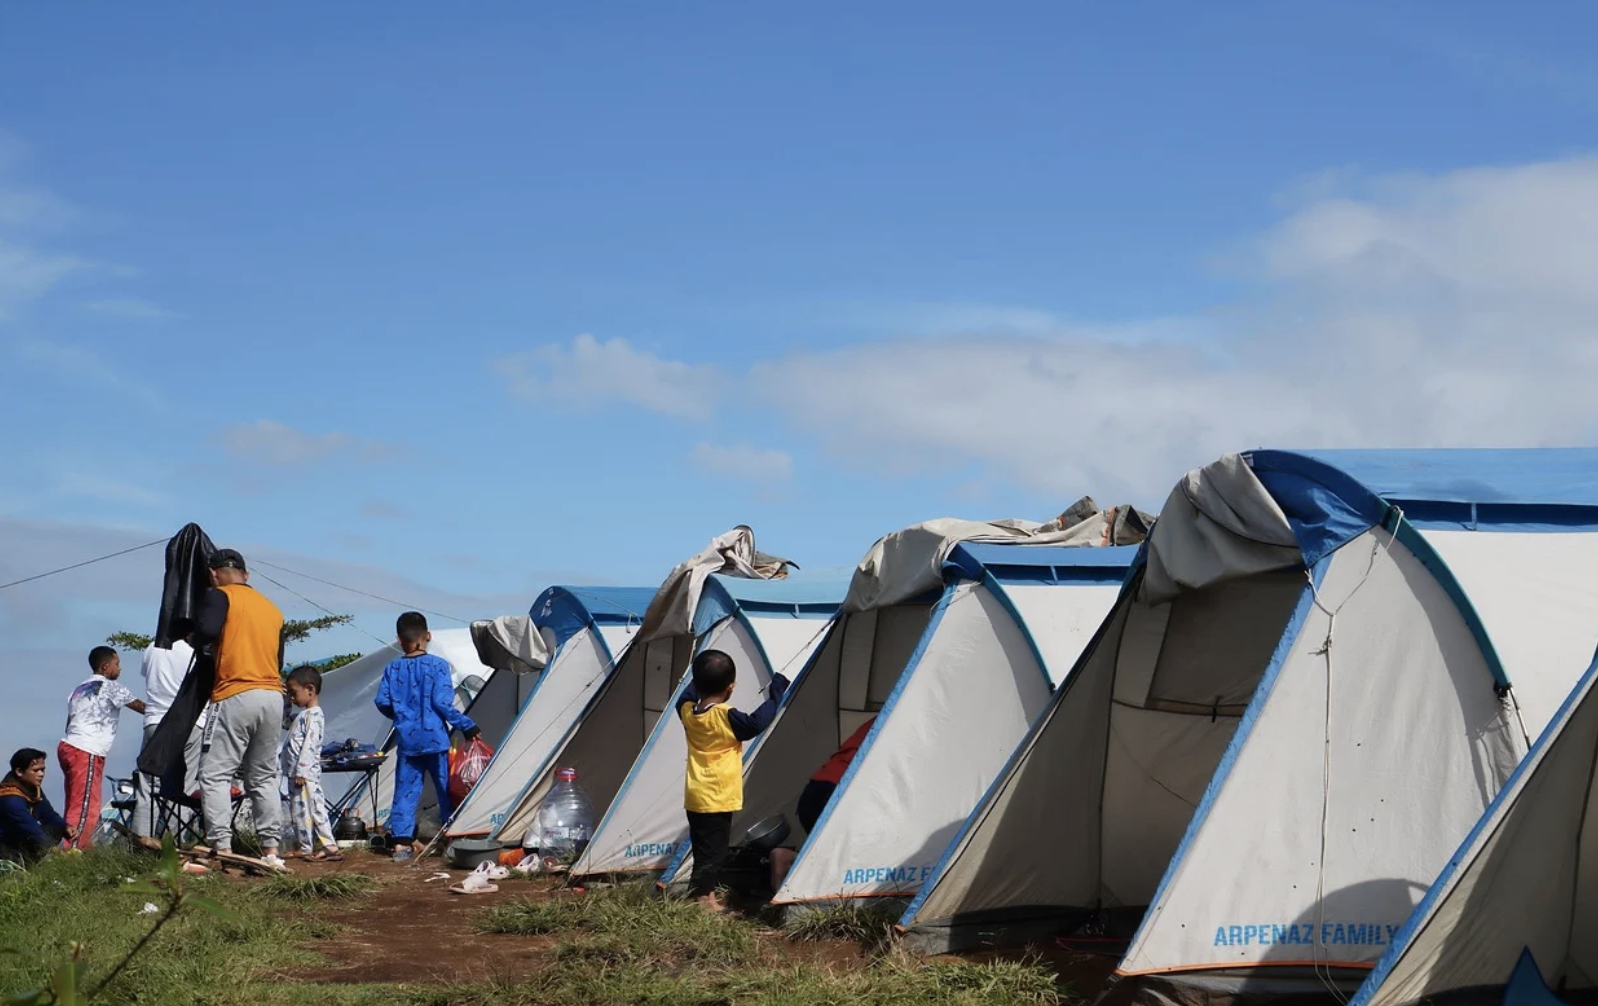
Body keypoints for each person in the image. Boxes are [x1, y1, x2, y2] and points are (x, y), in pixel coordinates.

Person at [192, 548, 286, 867]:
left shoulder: (219, 596)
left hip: (235, 692)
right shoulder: (273, 609)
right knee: (263, 776)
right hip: (273, 695)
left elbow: (205, 632)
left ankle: (222, 846)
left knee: (215, 774)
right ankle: (272, 851)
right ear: (246, 575)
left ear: (213, 574)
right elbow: (280, 659)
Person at [678, 649, 788, 911]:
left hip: (696, 795)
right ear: (731, 687)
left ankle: (701, 895)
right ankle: (705, 900)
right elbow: (755, 723)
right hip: (717, 796)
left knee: (704, 848)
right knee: (715, 853)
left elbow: (686, 696)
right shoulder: (724, 716)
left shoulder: (688, 712)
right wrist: (777, 693)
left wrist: (699, 680)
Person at [375, 612, 479, 862]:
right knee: (445, 788)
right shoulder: (438, 666)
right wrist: (467, 725)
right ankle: (451, 837)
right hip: (435, 739)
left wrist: (400, 715)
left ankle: (401, 844)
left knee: (406, 791)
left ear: (400, 640)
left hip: (408, 742)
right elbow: (442, 703)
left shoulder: (393, 668)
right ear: (428, 636)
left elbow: (381, 701)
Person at [769, 715, 877, 891]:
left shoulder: (880, 718)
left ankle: (789, 864)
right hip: (837, 791)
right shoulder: (900, 720)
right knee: (843, 855)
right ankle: (790, 859)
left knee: (827, 852)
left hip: (816, 788)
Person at [59, 646, 146, 850]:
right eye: (117, 664)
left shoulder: (78, 690)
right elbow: (143, 708)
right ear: (105, 666)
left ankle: (82, 847)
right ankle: (72, 852)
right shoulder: (111, 687)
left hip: (69, 746)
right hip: (86, 750)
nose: (120, 669)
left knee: (75, 801)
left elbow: (69, 721)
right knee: (85, 806)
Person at [133, 630, 204, 839]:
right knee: (185, 785)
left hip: (156, 720)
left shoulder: (152, 647)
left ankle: (141, 841)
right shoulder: (194, 651)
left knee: (148, 786)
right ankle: (177, 841)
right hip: (191, 722)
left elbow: (148, 675)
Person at [282, 665, 342, 862]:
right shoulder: (303, 715)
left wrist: (302, 770)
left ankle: (324, 845)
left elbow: (310, 745)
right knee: (301, 811)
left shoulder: (314, 716)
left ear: (310, 690)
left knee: (311, 809)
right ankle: (307, 845)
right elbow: (284, 723)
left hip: (304, 774)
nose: (292, 697)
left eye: (294, 693)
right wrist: (285, 702)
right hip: (295, 773)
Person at [0, 748, 73, 862]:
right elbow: (31, 829)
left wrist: (66, 827)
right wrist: (57, 852)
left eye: (42, 770)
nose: (41, 774)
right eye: (36, 770)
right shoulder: (10, 798)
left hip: (22, 839)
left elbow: (48, 814)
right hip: (6, 845)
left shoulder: (32, 789)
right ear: (19, 772)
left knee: (56, 827)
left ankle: (35, 860)